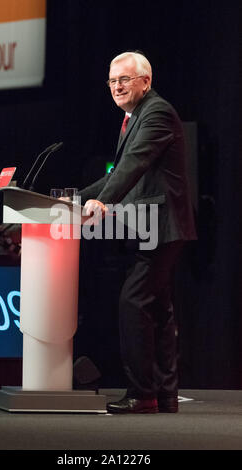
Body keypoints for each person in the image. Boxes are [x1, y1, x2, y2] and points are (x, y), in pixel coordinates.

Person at [79, 51, 197, 413]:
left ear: (145, 81)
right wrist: (74, 199)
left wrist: (103, 202)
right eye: (112, 81)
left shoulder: (156, 112)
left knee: (134, 302)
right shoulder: (135, 116)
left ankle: (142, 395)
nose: (116, 86)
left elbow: (133, 165)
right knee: (159, 309)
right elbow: (117, 174)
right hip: (153, 226)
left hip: (162, 225)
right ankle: (164, 395)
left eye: (124, 79)